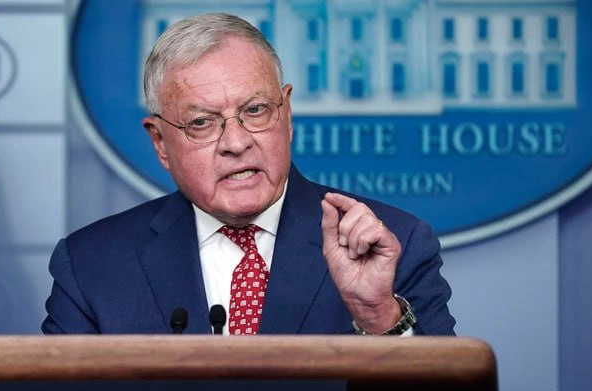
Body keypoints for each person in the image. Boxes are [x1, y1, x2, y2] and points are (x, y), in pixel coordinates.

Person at [43, 13, 455, 336]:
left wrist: (377, 314)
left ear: (286, 114)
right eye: (202, 122)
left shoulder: (394, 245)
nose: (236, 142)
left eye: (255, 110)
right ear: (160, 143)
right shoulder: (91, 266)